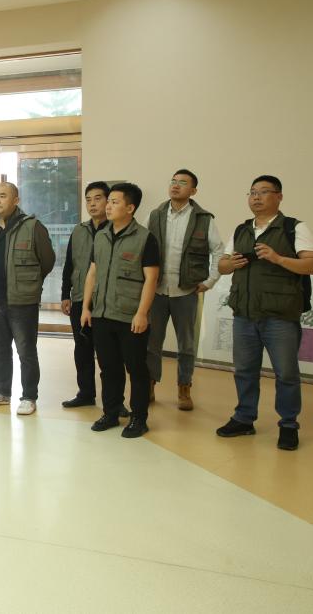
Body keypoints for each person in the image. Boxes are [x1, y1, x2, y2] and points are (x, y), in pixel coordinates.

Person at [215, 175, 313, 451]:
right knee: (244, 371)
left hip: (280, 316)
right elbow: (222, 266)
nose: (256, 197)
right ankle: (244, 418)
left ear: (279, 196)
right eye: (252, 193)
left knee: (286, 374)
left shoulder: (294, 227)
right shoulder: (241, 229)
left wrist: (278, 258)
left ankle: (288, 425)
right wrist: (231, 264)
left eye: (263, 192)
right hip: (244, 314)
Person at [80, 182, 160, 438]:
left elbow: (151, 278)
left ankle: (139, 418)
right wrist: (86, 307)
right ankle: (111, 412)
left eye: (115, 202)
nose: (108, 206)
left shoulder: (145, 238)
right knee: (108, 368)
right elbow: (92, 273)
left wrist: (142, 313)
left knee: (136, 369)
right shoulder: (101, 235)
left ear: (130, 208)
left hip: (130, 316)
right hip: (102, 314)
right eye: (109, 201)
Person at [145, 169, 224, 411]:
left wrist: (210, 281)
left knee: (187, 344)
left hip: (186, 291)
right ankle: (149, 385)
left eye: (182, 182)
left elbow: (218, 251)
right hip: (157, 290)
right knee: (151, 343)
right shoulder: (155, 215)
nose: (175, 185)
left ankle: (184, 387)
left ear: (193, 190)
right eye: (173, 181)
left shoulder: (204, 219)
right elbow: (143, 247)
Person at [0, 182, 55, 415]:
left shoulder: (32, 226)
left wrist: (29, 283)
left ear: (16, 200)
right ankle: (1, 393)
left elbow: (47, 261)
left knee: (26, 350)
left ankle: (29, 396)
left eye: (3, 196)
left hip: (22, 300)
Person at [60, 182, 111, 409]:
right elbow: (69, 264)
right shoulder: (79, 230)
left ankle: (114, 401)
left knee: (109, 354)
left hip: (107, 302)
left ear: (108, 201)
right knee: (82, 349)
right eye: (88, 199)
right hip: (80, 298)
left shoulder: (116, 229)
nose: (92, 204)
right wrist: (65, 294)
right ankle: (86, 393)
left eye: (98, 198)